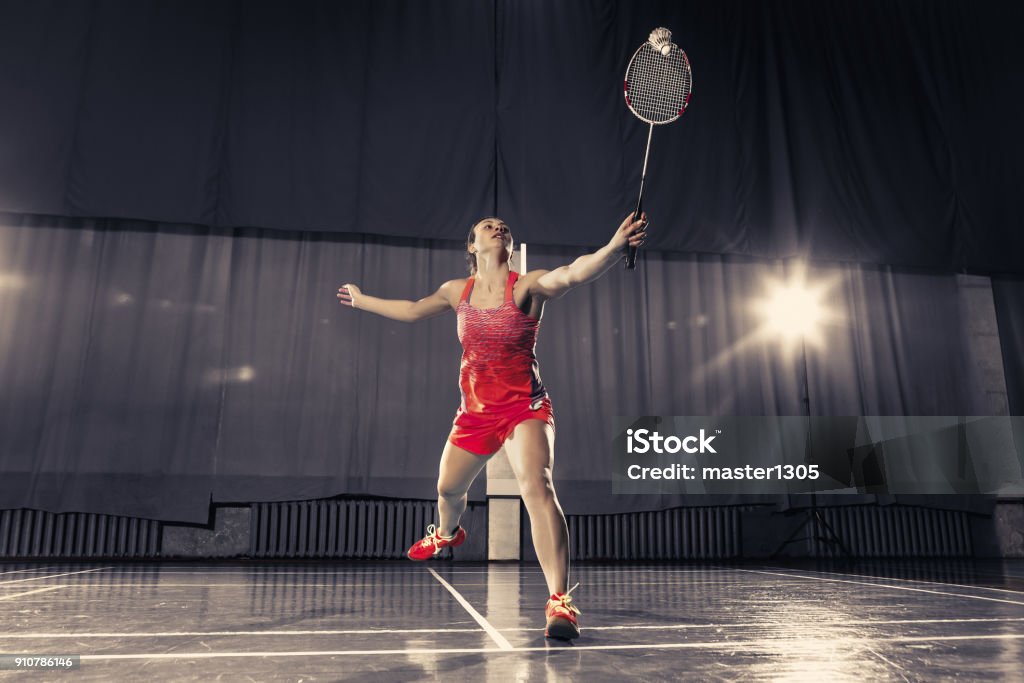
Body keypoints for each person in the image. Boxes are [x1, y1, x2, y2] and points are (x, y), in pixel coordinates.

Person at [337, 211, 647, 639]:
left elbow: (573, 274)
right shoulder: (454, 291)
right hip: (475, 414)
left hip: (525, 408)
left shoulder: (526, 285)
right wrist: (361, 299)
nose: (497, 227)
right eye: (487, 225)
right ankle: (446, 533)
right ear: (472, 245)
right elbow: (410, 310)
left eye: (503, 226)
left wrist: (613, 248)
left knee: (537, 486)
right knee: (447, 489)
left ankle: (560, 602)